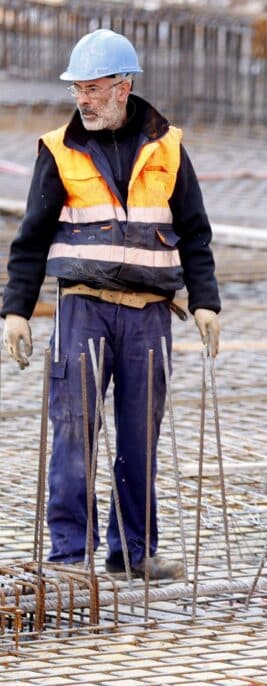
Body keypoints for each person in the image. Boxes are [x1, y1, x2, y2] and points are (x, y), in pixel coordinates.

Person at [1, 29, 221, 580]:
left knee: (139, 435)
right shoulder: (59, 150)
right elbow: (30, 239)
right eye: (77, 88)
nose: (83, 98)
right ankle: (70, 556)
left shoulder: (168, 149)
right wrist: (16, 310)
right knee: (73, 431)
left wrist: (206, 302)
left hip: (149, 315)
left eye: (93, 88)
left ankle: (133, 551)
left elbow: (195, 232)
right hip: (83, 310)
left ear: (124, 87)